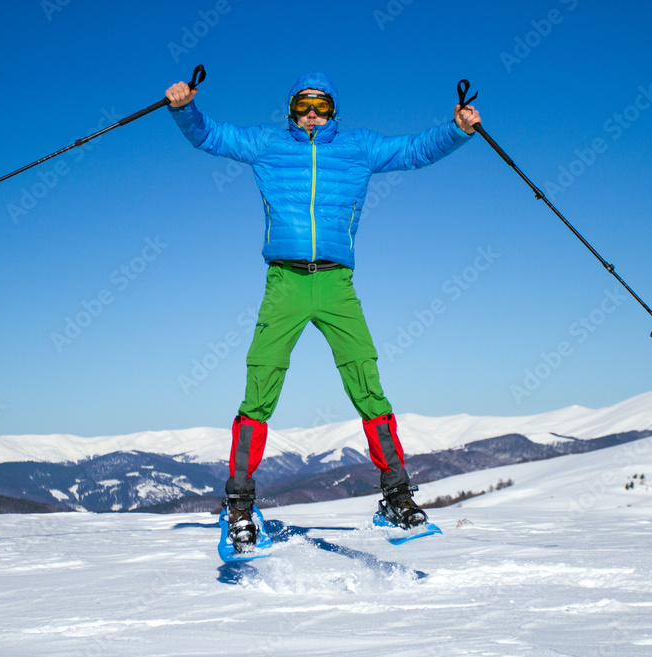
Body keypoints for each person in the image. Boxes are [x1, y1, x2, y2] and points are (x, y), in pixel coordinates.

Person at [166, 72, 479, 551]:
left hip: (336, 283)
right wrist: (184, 107)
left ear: (333, 111)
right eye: (303, 106)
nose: (312, 115)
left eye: (322, 106)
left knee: (366, 380)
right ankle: (240, 506)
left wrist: (457, 129)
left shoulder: (359, 147)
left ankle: (397, 498)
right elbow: (210, 136)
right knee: (260, 383)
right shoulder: (267, 144)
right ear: (291, 110)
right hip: (285, 282)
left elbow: (416, 150)